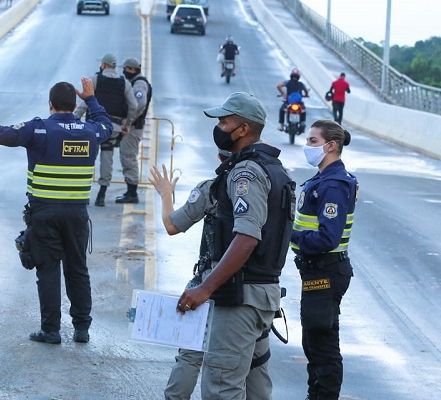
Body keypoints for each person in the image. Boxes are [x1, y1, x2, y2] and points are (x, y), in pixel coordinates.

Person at [0, 77, 113, 344]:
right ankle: (81, 329)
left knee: (48, 270)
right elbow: (106, 125)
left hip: (44, 214)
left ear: (50, 105)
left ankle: (51, 330)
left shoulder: (38, 130)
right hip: (77, 214)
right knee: (77, 269)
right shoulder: (91, 132)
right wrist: (91, 98)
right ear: (74, 104)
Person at [175, 92, 295, 400]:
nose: (219, 127)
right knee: (255, 389)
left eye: (224, 122)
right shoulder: (272, 168)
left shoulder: (245, 173)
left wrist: (205, 288)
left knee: (221, 387)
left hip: (240, 296)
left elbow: (247, 237)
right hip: (260, 293)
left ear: (242, 129)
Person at [149, 152, 275, 400]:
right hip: (256, 292)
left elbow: (172, 225)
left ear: (219, 155)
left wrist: (165, 194)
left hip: (209, 285)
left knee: (191, 353)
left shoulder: (212, 189)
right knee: (257, 360)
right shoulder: (269, 188)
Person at [291, 120, 358, 400]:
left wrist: (292, 237)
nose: (308, 146)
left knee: (322, 344)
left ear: (331, 146)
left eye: (313, 141)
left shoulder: (333, 184)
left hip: (326, 270)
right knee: (314, 339)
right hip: (319, 270)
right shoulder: (323, 180)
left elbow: (328, 238)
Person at [74, 53, 139, 207]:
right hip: (112, 127)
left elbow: (85, 102)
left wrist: (75, 118)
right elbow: (134, 106)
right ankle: (101, 195)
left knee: (87, 158)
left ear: (103, 65)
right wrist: (127, 123)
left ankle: (81, 193)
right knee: (107, 158)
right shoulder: (125, 84)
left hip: (93, 126)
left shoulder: (95, 79)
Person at [115, 57, 152, 204]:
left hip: (133, 128)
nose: (124, 72)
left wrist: (129, 122)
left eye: (125, 69)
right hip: (133, 126)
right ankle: (130, 191)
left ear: (131, 69)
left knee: (128, 158)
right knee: (126, 157)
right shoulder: (135, 82)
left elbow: (139, 104)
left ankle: (132, 193)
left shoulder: (139, 84)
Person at [277, 67, 310, 132]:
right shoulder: (301, 84)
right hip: (298, 103)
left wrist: (283, 93)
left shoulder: (288, 82)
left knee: (282, 109)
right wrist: (306, 95)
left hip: (289, 102)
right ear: (298, 76)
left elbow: (279, 86)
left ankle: (281, 125)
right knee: (303, 110)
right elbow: (306, 91)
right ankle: (302, 122)